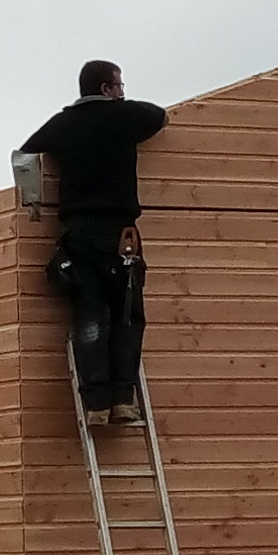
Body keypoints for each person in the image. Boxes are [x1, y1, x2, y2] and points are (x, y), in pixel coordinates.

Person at [22, 59, 167, 423]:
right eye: (118, 86)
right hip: (121, 237)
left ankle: (97, 404)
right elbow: (161, 116)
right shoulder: (126, 117)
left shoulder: (64, 124)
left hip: (80, 237)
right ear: (105, 89)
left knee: (90, 315)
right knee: (127, 317)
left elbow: (26, 153)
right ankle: (123, 399)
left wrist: (33, 202)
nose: (122, 92)